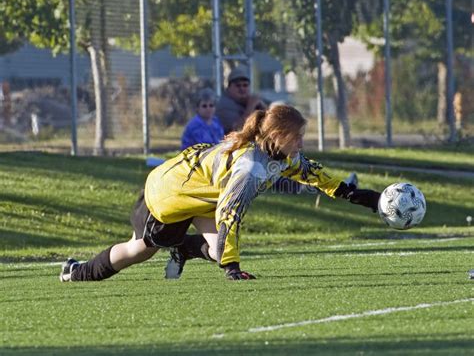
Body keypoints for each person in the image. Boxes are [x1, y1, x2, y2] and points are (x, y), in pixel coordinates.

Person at [59, 105, 380, 282]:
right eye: (298, 137)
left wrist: (368, 199)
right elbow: (229, 214)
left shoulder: (280, 155)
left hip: (202, 194)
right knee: (140, 251)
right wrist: (232, 267)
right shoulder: (249, 166)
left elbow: (319, 177)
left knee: (216, 248)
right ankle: (76, 272)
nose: (302, 143)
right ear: (278, 136)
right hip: (168, 193)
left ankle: (183, 248)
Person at [215, 65, 266, 134]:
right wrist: (250, 106)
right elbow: (237, 130)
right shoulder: (224, 105)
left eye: (245, 85)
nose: (242, 89)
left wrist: (261, 106)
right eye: (238, 85)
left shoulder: (247, 101)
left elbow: (268, 124)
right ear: (229, 88)